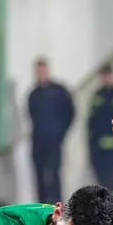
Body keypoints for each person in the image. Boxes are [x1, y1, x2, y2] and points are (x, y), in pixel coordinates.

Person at [27, 59, 75, 205]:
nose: (41, 74)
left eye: (43, 70)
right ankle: (41, 208)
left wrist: (60, 133)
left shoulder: (59, 91)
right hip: (38, 142)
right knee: (39, 175)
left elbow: (70, 112)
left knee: (54, 174)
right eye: (39, 71)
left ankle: (57, 207)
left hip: (54, 142)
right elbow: (31, 115)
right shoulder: (34, 94)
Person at [87, 65, 113, 197]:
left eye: (109, 75)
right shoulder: (97, 96)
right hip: (100, 147)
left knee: (112, 179)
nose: (107, 79)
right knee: (102, 181)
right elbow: (91, 123)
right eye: (104, 76)